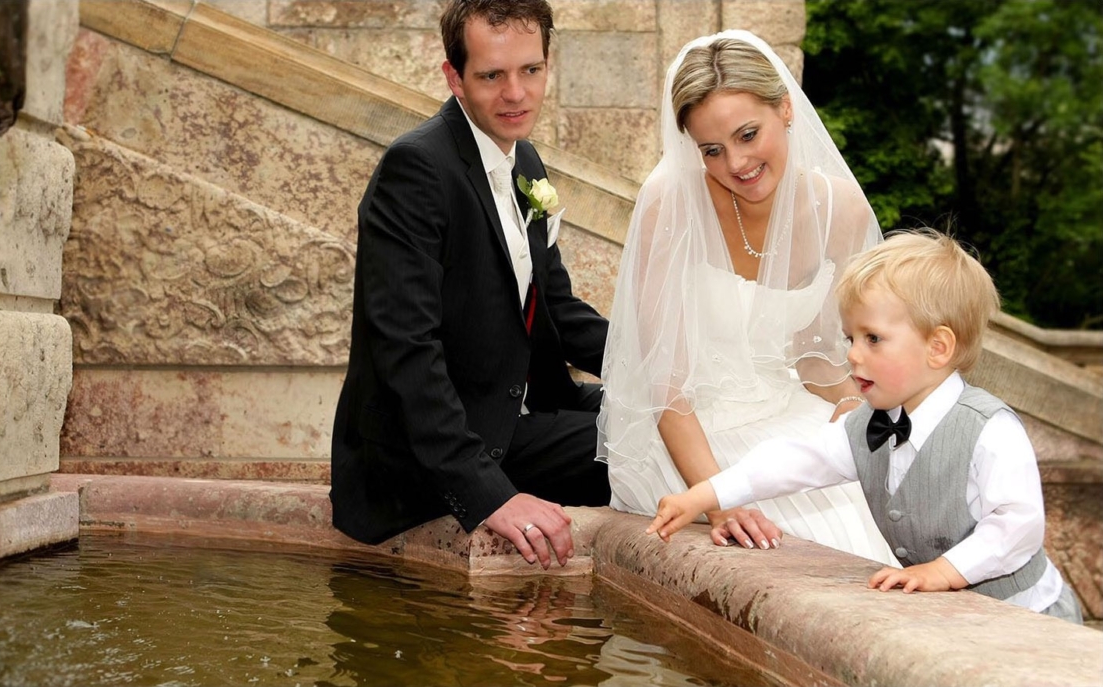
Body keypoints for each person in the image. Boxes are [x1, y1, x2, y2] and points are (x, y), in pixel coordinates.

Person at [645, 230, 1083, 623]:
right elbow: (794, 461)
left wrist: (943, 571)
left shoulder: (990, 429)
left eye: (872, 338)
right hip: (958, 618)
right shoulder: (866, 427)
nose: (853, 354)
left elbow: (1018, 525)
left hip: (1031, 617)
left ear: (938, 347)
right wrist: (704, 494)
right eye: (849, 338)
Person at [596, 30, 896, 564]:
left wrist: (852, 409)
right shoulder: (670, 204)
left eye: (748, 134)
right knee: (810, 528)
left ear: (785, 108)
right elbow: (666, 387)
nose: (736, 162)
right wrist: (719, 499)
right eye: (712, 150)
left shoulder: (840, 210)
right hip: (687, 437)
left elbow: (818, 359)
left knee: (877, 501)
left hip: (785, 410)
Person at [330, 0, 610, 569]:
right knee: (640, 447)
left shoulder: (524, 161)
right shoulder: (417, 169)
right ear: (454, 78)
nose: (516, 93)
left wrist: (664, 373)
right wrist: (489, 495)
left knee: (671, 419)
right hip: (445, 450)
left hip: (524, 406)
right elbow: (405, 349)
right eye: (491, 75)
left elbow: (557, 310)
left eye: (531, 70)